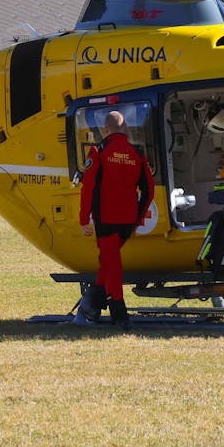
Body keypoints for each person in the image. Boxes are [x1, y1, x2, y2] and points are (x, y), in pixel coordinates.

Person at [79, 110, 154, 325]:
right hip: (127, 220)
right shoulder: (137, 153)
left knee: (112, 266)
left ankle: (119, 312)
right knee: (108, 261)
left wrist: (84, 218)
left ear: (105, 129)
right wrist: (137, 218)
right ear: (124, 128)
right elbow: (149, 190)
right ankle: (92, 304)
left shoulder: (98, 151)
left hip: (106, 218)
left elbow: (88, 187)